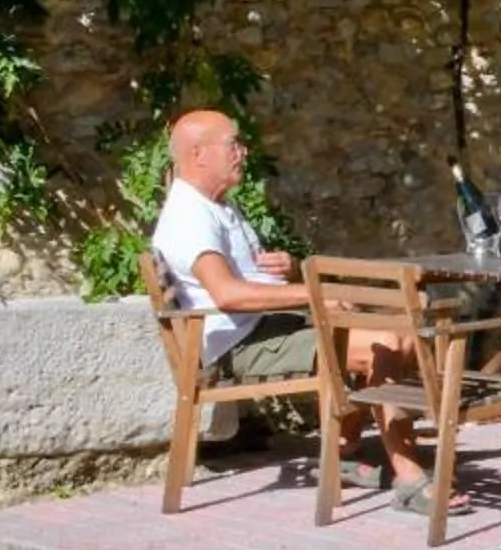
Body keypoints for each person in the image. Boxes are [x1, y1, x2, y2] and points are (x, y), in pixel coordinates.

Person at [150, 108, 428, 502]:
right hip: (238, 346)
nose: (243, 152)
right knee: (384, 344)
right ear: (198, 154)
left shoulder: (218, 206)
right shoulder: (188, 216)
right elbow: (228, 294)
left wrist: (291, 268)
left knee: (398, 333)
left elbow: (249, 280)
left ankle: (345, 451)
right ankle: (410, 477)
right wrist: (315, 295)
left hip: (264, 325)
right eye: (234, 144)